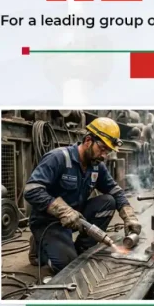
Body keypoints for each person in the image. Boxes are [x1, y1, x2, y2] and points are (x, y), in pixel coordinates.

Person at [24, 117, 140, 273]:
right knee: (66, 268)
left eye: (108, 151)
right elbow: (31, 190)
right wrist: (63, 210)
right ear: (87, 140)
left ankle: (82, 248)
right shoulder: (58, 158)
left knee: (108, 201)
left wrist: (129, 216)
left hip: (76, 219)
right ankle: (39, 247)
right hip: (48, 221)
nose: (105, 156)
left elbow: (114, 190)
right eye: (103, 149)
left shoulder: (96, 165)